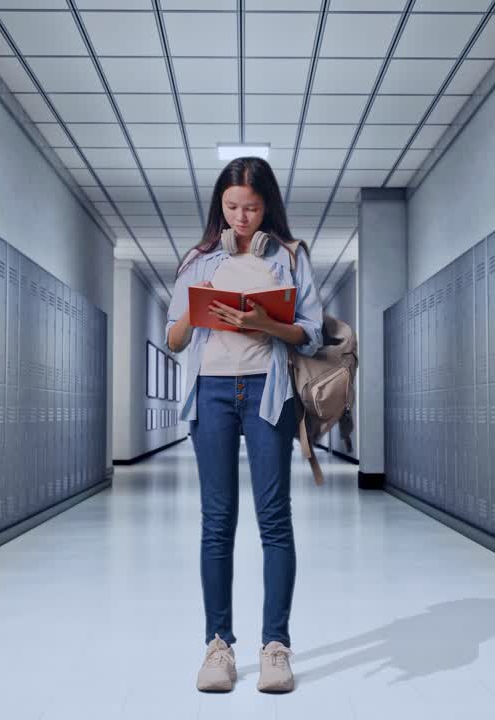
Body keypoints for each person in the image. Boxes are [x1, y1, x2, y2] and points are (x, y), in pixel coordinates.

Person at [165, 157, 323, 694]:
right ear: (220, 205)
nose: (241, 217)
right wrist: (198, 306)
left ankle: (275, 647)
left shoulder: (290, 256)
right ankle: (218, 646)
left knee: (274, 519)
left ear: (267, 206)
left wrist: (266, 323)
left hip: (266, 391)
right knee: (217, 520)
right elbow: (174, 339)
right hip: (211, 392)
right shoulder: (199, 259)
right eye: (232, 206)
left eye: (252, 208)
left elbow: (312, 334)